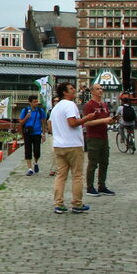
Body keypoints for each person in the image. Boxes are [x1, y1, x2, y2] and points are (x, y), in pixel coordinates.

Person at [47, 81, 98, 214]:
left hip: (59, 145)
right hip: (73, 145)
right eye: (71, 88)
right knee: (77, 176)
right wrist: (87, 118)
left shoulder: (56, 108)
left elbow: (49, 125)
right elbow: (73, 123)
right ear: (65, 92)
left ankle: (59, 204)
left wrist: (59, 133)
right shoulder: (70, 105)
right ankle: (77, 203)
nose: (74, 90)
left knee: (60, 176)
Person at [83, 84, 116, 196]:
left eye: (101, 89)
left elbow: (106, 119)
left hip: (104, 136)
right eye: (97, 89)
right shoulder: (89, 105)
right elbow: (87, 122)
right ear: (92, 92)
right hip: (93, 137)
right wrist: (103, 120)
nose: (100, 91)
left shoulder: (104, 105)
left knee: (104, 162)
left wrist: (111, 121)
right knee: (93, 163)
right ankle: (90, 187)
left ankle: (102, 185)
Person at [18, 94, 47, 175]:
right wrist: (26, 117)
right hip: (28, 133)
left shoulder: (40, 111)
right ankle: (29, 168)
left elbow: (43, 122)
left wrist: (43, 133)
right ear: (30, 102)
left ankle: (36, 162)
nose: (36, 103)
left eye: (37, 101)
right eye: (34, 102)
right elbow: (21, 122)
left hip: (37, 133)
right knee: (28, 150)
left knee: (37, 151)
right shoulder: (25, 110)